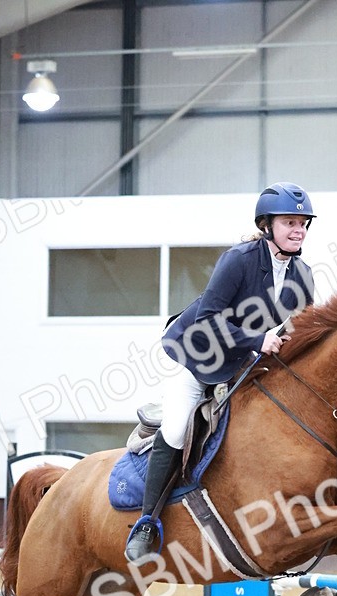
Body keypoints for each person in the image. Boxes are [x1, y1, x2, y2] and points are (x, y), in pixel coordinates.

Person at [124, 182, 316, 563]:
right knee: (177, 427)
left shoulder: (303, 275)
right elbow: (209, 321)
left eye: (303, 223)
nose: (298, 230)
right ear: (267, 225)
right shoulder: (239, 260)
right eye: (290, 222)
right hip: (202, 359)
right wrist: (256, 340)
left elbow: (301, 328)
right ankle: (146, 522)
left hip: (246, 368)